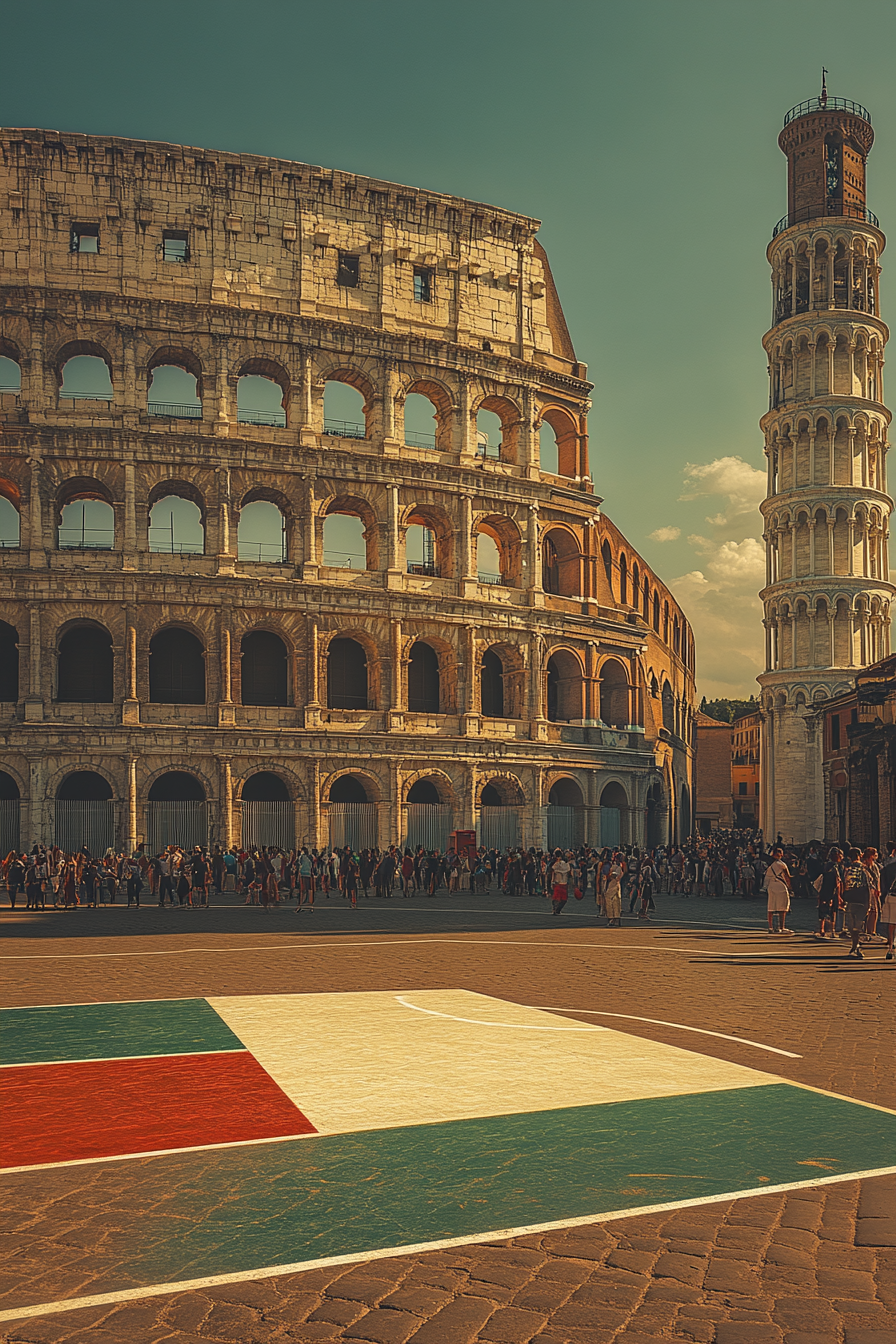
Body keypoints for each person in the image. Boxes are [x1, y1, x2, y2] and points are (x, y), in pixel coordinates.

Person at [842, 848, 874, 960]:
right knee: (856, 926)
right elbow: (869, 887)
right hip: (859, 899)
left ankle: (856, 946)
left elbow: (843, 884)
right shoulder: (862, 869)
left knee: (854, 926)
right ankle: (856, 945)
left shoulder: (851, 869)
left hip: (854, 900)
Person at [763, 845, 792, 934]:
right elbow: (787, 877)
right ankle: (782, 927)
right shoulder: (782, 865)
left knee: (771, 905)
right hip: (781, 885)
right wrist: (790, 887)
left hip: (771, 885)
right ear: (781, 855)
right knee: (782, 906)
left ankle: (770, 927)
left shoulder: (768, 864)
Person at [549, 850, 570, 916]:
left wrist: (552, 882)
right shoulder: (566, 864)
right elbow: (569, 873)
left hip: (557, 882)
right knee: (564, 898)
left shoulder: (555, 864)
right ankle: (558, 909)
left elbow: (552, 873)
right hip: (564, 882)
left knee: (556, 897)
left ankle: (555, 909)